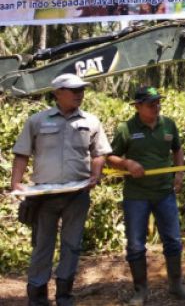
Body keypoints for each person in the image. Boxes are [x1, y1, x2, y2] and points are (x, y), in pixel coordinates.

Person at [10, 74, 110, 306]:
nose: (79, 94)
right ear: (57, 93)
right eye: (73, 90)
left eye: (81, 90)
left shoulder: (92, 121)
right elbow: (22, 153)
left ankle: (64, 295)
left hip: (77, 194)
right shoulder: (37, 120)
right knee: (42, 246)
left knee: (72, 245)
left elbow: (99, 153)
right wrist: (16, 184)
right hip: (44, 196)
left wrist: (95, 174)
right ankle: (37, 296)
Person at [106, 86, 185, 305]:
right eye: (150, 104)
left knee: (173, 240)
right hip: (136, 195)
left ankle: (176, 285)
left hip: (164, 193)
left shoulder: (168, 124)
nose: (156, 107)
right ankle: (140, 291)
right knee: (136, 245)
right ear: (137, 107)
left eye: (157, 102)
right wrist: (127, 163)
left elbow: (178, 149)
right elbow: (110, 157)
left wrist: (179, 173)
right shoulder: (125, 129)